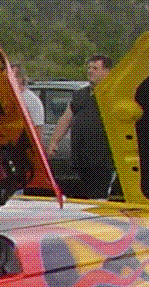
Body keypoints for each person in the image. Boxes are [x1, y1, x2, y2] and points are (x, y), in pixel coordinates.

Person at [47, 54, 115, 198]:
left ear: (107, 71)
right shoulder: (80, 95)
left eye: (95, 68)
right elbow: (66, 119)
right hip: (82, 158)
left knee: (99, 196)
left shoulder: (115, 95)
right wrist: (54, 141)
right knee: (87, 195)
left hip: (104, 159)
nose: (90, 71)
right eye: (89, 68)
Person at [12, 62, 46, 127]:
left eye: (13, 77)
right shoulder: (11, 97)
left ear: (21, 79)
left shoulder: (32, 100)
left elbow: (37, 129)